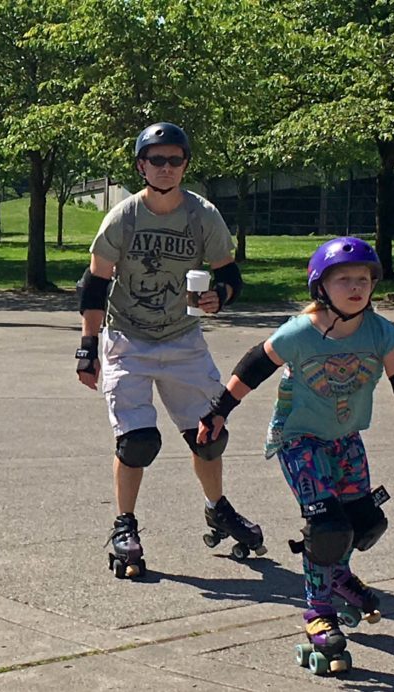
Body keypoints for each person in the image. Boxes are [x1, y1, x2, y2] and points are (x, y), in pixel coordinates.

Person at [197, 236, 394, 674]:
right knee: (325, 527)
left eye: (363, 279)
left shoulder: (379, 331)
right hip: (298, 438)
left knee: (363, 522)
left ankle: (339, 577)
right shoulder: (301, 331)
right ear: (320, 287)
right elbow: (255, 365)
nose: (356, 286)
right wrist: (218, 412)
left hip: (346, 438)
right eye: (343, 279)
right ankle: (317, 611)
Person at [75, 122, 263, 580]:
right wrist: (87, 346)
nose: (164, 168)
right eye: (155, 160)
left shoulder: (203, 216)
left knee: (209, 435)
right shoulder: (123, 217)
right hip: (127, 338)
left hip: (182, 338)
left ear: (185, 165)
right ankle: (124, 526)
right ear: (141, 165)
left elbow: (230, 274)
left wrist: (222, 296)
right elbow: (95, 283)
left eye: (174, 160)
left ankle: (217, 508)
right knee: (136, 442)